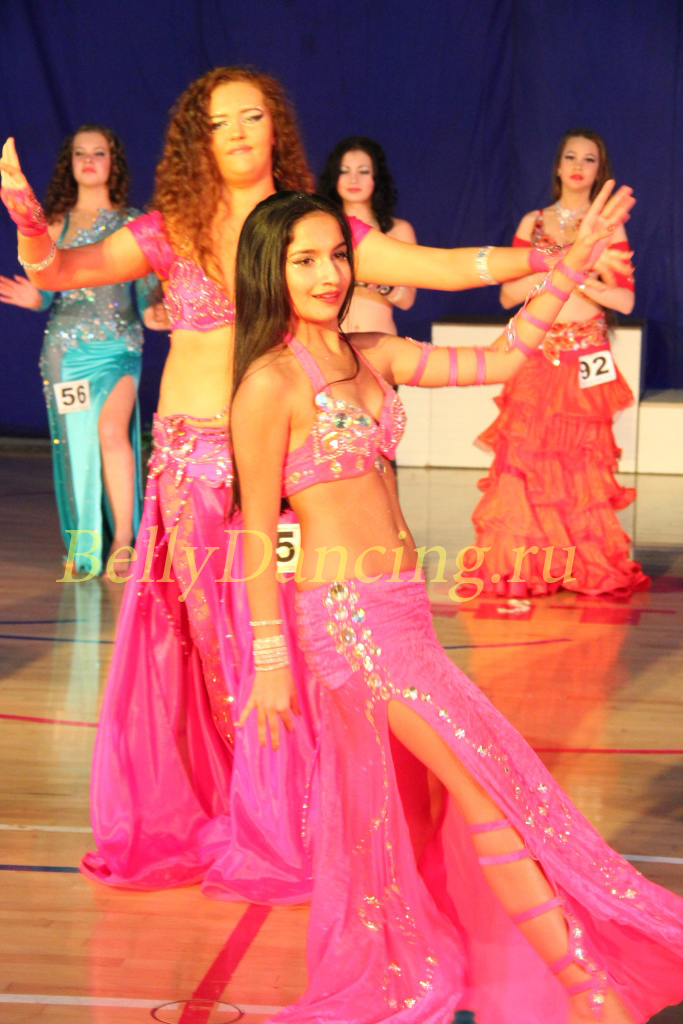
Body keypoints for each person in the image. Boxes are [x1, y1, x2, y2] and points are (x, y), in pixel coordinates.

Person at [0, 70, 633, 905]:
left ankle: (297, 827)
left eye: (252, 115)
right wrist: (30, 231)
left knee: (284, 652)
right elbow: (57, 271)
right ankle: (231, 815)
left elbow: (444, 267)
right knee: (202, 660)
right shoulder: (170, 231)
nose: (238, 131)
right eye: (220, 121)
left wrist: (553, 258)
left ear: (277, 128)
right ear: (196, 139)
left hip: (282, 467)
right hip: (189, 470)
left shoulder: (310, 229)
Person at [230, 188, 683, 1024]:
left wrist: (568, 267)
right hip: (351, 627)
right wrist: (267, 662)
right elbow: (256, 532)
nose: (328, 274)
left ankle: (520, 975)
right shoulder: (268, 384)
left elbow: (502, 360)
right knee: (488, 791)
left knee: (473, 794)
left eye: (337, 255)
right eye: (304, 260)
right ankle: (588, 993)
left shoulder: (371, 353)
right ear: (269, 271)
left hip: (404, 613)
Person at [467, 130, 647, 599]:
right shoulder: (534, 222)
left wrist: (580, 280)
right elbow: (507, 293)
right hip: (538, 354)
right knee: (526, 460)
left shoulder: (607, 228)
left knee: (581, 466)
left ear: (599, 170)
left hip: (586, 356)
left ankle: (582, 565)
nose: (578, 166)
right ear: (558, 166)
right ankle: (527, 565)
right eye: (571, 156)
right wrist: (559, 269)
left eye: (589, 159)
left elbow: (625, 301)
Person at [0, 125, 162, 575]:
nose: (89, 160)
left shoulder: (135, 223)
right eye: (80, 153)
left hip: (120, 350)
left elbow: (148, 299)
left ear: (114, 162)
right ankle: (84, 547)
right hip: (67, 354)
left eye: (99, 152)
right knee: (78, 445)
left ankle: (125, 539)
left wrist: (167, 311)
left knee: (112, 432)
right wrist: (35, 299)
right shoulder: (56, 224)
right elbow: (47, 290)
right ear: (69, 164)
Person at [319, 135, 417, 334]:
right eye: (344, 171)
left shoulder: (397, 230)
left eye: (363, 171)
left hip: (380, 343)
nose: (353, 179)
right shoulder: (319, 228)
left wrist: (383, 284)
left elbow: (407, 300)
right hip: (330, 342)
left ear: (377, 178)